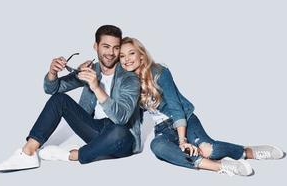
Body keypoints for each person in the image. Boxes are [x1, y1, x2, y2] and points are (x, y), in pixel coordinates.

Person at [118, 37, 284, 176]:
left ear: (141, 55)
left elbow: (176, 107)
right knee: (157, 146)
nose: (127, 59)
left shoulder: (160, 72)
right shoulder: (128, 84)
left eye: (131, 53)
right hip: (163, 129)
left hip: (185, 120)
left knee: (207, 150)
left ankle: (248, 152)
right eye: (122, 56)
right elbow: (131, 117)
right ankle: (219, 166)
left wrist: (183, 141)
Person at [0, 25, 142, 172]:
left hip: (121, 139)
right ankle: (28, 153)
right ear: (96, 46)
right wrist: (52, 73)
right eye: (106, 46)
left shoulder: (129, 78)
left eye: (116, 48)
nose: (111, 53)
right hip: (95, 130)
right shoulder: (91, 69)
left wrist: (96, 87)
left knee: (118, 131)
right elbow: (52, 89)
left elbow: (121, 118)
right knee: (59, 99)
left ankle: (73, 155)